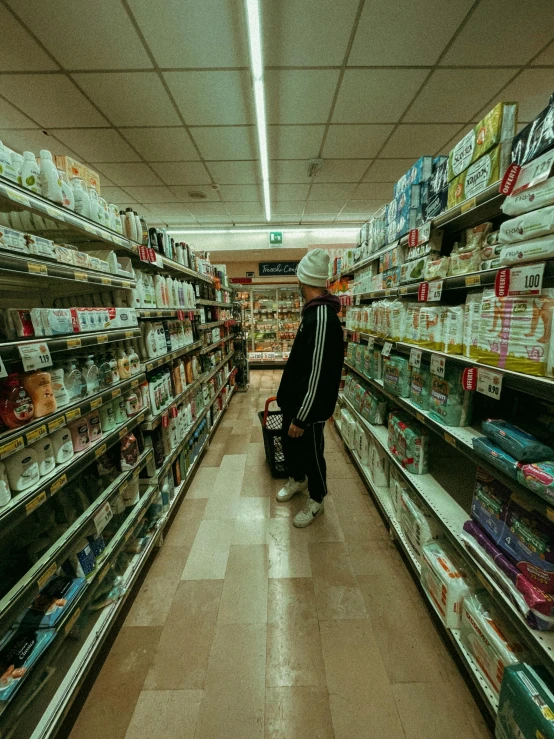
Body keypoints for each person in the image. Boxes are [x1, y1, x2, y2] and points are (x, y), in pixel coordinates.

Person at [275, 248, 344, 527]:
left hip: (309, 409)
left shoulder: (323, 317)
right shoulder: (313, 313)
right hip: (295, 403)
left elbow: (318, 373)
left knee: (312, 453)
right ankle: (297, 480)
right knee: (291, 446)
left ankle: (316, 498)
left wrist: (302, 416)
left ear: (303, 281)